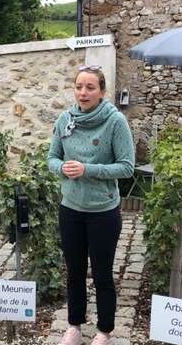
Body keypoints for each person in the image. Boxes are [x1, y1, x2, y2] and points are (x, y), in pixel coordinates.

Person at [47, 65, 134, 345]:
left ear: (102, 91)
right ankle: (74, 326)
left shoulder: (115, 122)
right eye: (79, 87)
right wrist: (62, 168)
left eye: (90, 87)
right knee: (73, 271)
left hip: (103, 212)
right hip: (70, 208)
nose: (83, 93)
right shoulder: (65, 119)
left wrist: (88, 169)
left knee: (102, 273)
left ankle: (104, 331)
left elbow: (127, 167)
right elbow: (51, 158)